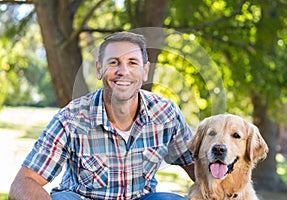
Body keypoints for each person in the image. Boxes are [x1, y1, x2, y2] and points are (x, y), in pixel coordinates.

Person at [9, 31, 195, 200]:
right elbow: (23, 183)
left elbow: (198, 168)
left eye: (132, 62)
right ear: (99, 69)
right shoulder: (71, 118)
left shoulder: (165, 113)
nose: (123, 71)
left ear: (145, 71)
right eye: (113, 62)